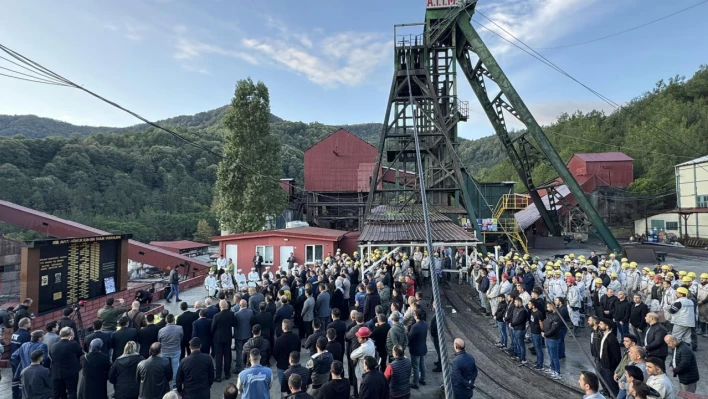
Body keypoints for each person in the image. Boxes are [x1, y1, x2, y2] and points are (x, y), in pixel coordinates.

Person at [49, 327, 83, 399]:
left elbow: (52, 357)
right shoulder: (73, 344)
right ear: (71, 334)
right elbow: (81, 355)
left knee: (60, 393)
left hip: (57, 373)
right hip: (71, 372)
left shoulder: (53, 346)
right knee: (72, 392)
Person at [211, 299, 235, 382]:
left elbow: (212, 328)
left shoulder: (216, 316)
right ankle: (227, 373)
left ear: (220, 306)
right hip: (227, 337)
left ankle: (218, 376)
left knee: (219, 357)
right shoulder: (231, 314)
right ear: (227, 306)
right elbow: (234, 324)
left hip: (218, 339)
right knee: (227, 355)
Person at [598, 318, 621, 396]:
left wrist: (615, 368)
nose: (599, 325)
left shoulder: (611, 339)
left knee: (612, 385)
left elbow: (616, 355)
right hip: (603, 364)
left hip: (609, 366)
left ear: (607, 326)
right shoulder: (605, 336)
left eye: (601, 324)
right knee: (607, 383)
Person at [274, 319, 301, 385]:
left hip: (282, 366)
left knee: (283, 389)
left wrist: (280, 360)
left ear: (284, 327)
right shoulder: (297, 337)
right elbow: (298, 351)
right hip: (294, 365)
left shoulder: (279, 340)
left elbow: (275, 354)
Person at [351, 326, 376, 394]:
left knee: (361, 388)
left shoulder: (363, 349)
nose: (358, 338)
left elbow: (352, 356)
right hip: (370, 368)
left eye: (359, 337)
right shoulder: (370, 342)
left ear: (364, 339)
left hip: (362, 370)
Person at [233, 299, 255, 373]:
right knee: (248, 350)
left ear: (240, 305)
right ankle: (248, 365)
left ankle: (238, 367)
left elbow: (235, 324)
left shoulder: (236, 314)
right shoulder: (251, 312)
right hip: (248, 334)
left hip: (239, 335)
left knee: (239, 352)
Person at [542, 301, 562, 379]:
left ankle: (557, 372)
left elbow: (554, 329)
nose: (547, 308)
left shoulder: (557, 317)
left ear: (552, 307)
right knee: (550, 354)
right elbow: (546, 324)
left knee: (554, 356)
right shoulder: (549, 315)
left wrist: (546, 334)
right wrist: (543, 332)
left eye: (548, 307)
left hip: (553, 338)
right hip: (547, 337)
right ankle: (552, 368)